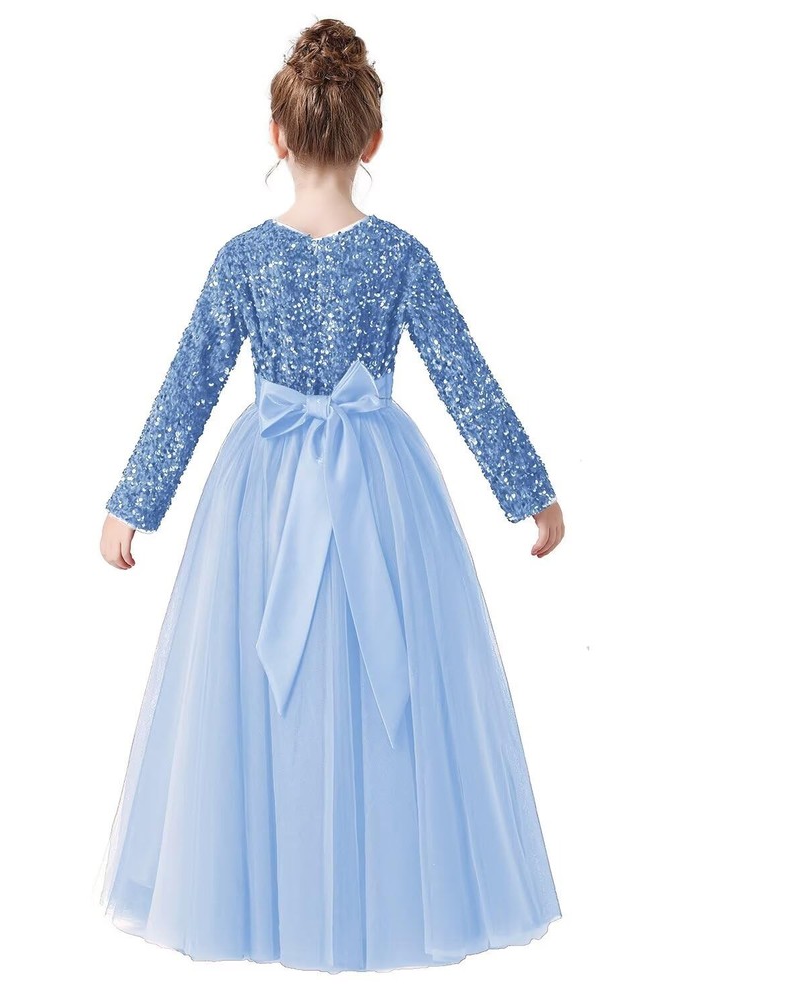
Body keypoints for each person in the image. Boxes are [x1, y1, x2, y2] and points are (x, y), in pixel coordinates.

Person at [96, 17, 566, 973]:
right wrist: (531, 493)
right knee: (372, 684)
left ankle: (272, 902)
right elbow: (465, 378)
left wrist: (132, 503)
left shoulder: (243, 257)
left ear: (276, 136)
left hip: (261, 501)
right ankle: (370, 897)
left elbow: (189, 383)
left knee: (267, 696)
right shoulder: (400, 254)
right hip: (380, 494)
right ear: (373, 139)